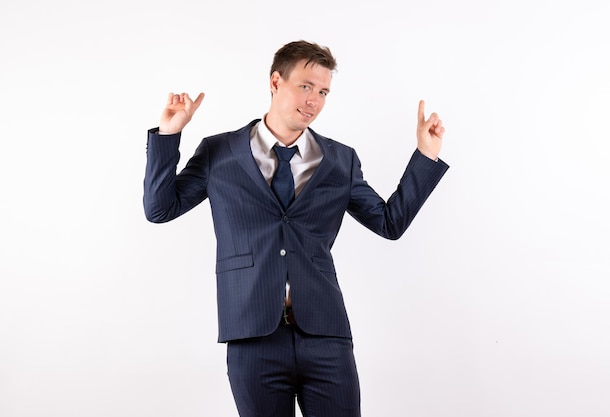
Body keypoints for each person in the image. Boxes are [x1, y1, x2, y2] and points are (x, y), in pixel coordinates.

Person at [143, 40, 448, 417]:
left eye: (323, 92)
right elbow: (159, 209)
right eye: (305, 86)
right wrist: (169, 134)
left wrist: (425, 155)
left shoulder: (340, 160)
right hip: (252, 336)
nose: (314, 101)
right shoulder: (218, 152)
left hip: (326, 336)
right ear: (276, 81)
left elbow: (390, 222)